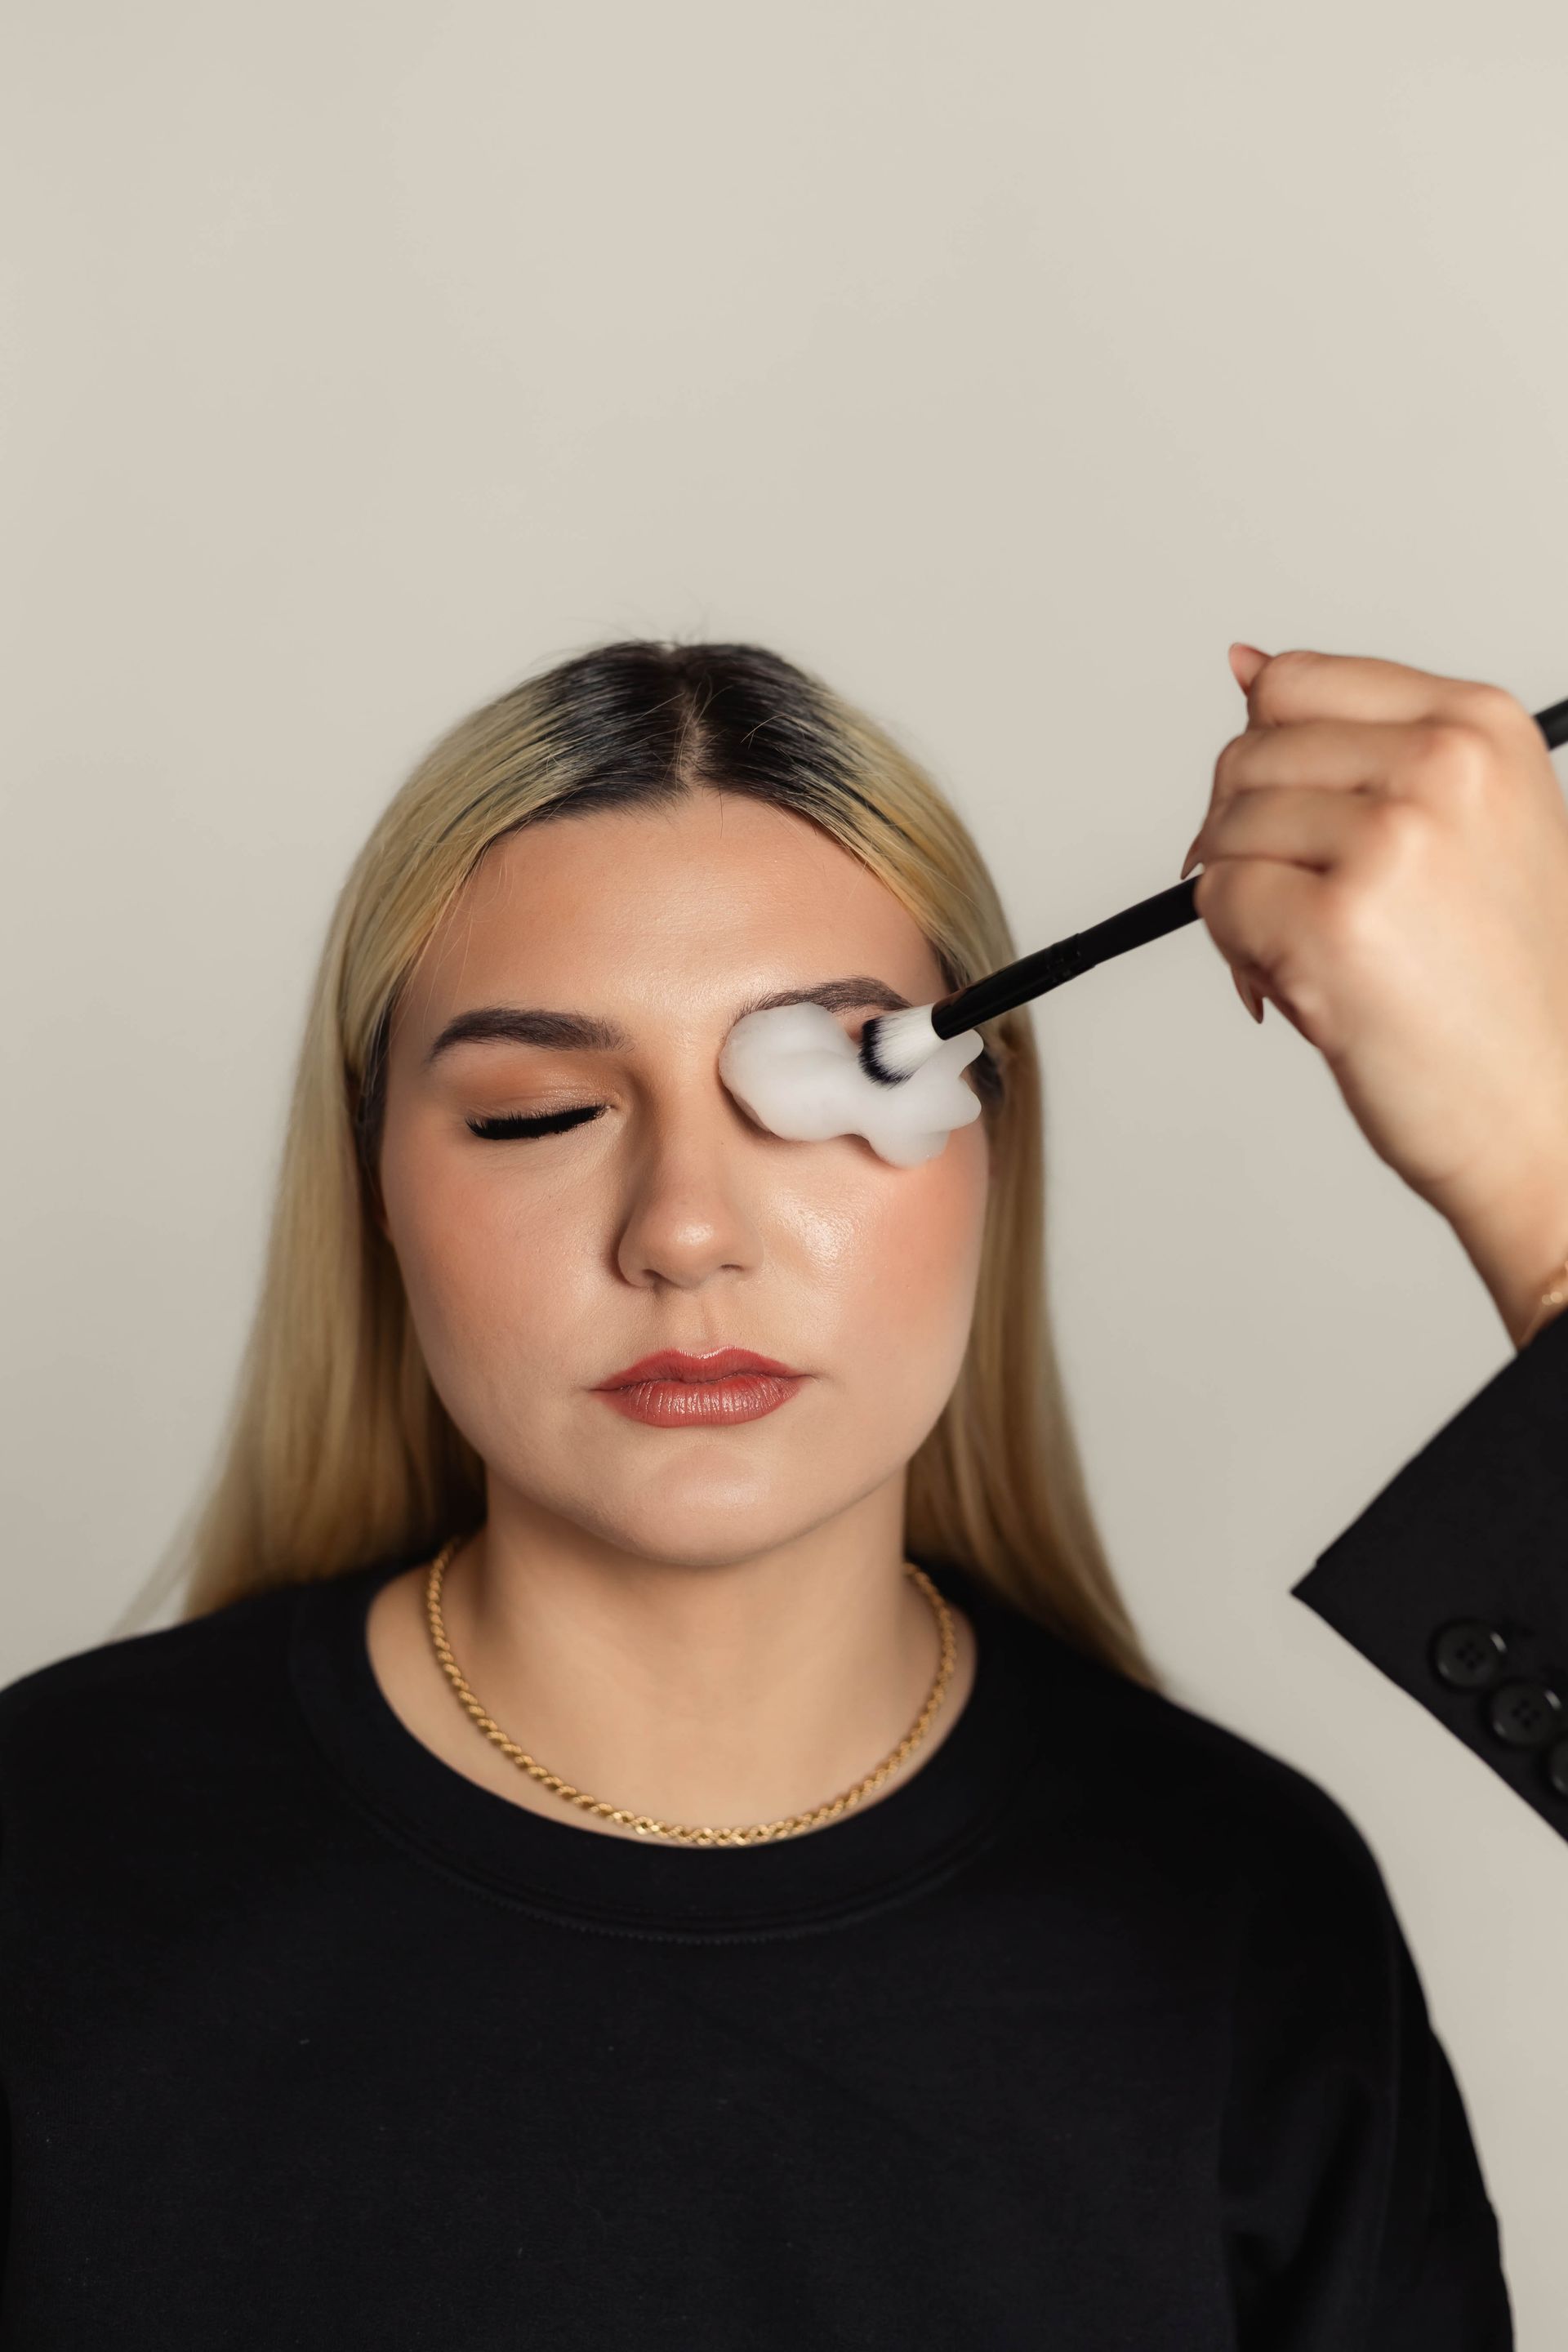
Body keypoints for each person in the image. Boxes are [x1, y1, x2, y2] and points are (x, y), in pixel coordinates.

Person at [2, 635, 1556, 2347]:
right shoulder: (45, 1863)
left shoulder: (1252, 1919)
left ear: (990, 1156)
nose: (684, 1230)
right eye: (537, 1114)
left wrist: (1542, 1177)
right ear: (373, 1180)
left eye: (830, 1084)